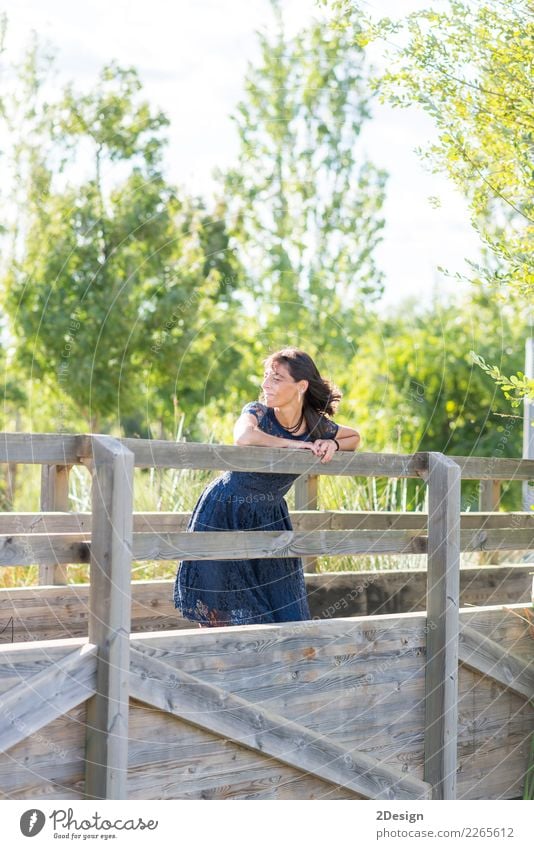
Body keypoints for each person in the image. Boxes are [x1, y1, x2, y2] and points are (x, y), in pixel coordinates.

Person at [173, 347, 361, 628]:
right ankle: (224, 668)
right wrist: (298, 446)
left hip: (269, 516)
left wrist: (331, 443)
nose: (265, 384)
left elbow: (354, 437)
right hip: (225, 509)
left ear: (301, 386)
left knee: (285, 611)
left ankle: (280, 669)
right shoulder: (258, 412)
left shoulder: (316, 426)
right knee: (221, 610)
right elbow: (244, 436)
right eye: (265, 377)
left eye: (276, 378)